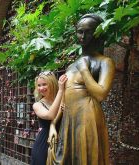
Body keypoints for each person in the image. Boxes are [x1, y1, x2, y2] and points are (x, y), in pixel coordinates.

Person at [47, 14, 115, 165]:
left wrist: (84, 69)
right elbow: (64, 99)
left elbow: (101, 94)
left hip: (86, 117)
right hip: (68, 119)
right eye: (80, 31)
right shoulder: (72, 65)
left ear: (97, 33)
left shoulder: (105, 62)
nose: (83, 36)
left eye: (88, 31)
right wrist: (53, 124)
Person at [30, 72, 67, 165]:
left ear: (52, 83)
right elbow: (50, 115)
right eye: (39, 85)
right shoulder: (37, 105)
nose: (41, 88)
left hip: (63, 142)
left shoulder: (63, 99)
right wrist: (61, 90)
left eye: (44, 84)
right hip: (45, 144)